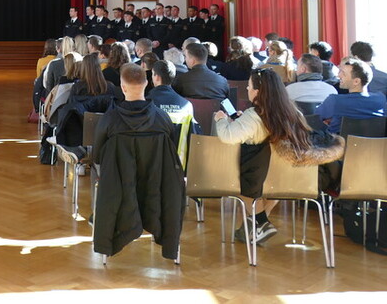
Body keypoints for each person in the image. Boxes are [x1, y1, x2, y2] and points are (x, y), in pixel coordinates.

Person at [215, 68, 344, 244]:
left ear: (258, 92)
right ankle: (257, 225)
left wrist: (221, 119)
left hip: (260, 180)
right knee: (274, 173)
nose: (247, 89)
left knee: (240, 174)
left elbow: (228, 137)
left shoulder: (254, 116)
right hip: (295, 177)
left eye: (250, 86)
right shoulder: (294, 113)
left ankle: (260, 222)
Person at [91, 63, 184, 260]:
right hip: (155, 187)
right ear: (147, 83)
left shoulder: (110, 119)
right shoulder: (162, 118)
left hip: (119, 188)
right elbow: (169, 154)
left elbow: (98, 156)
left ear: (122, 87)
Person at [316, 57, 387, 134]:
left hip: (340, 144)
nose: (339, 75)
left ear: (356, 81)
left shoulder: (335, 101)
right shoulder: (381, 99)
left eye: (343, 73)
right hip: (374, 145)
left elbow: (316, 117)